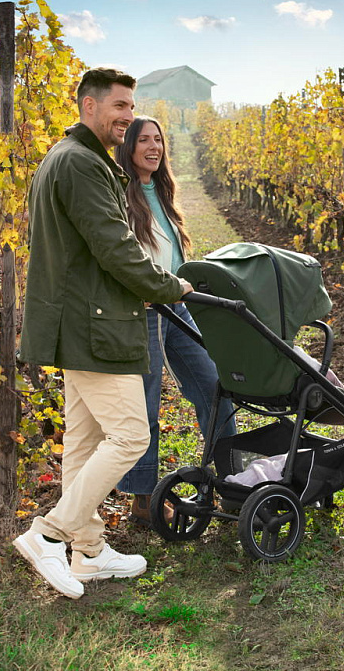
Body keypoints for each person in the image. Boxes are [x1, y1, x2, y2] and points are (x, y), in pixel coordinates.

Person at [13, 68, 193, 600]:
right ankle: (50, 534)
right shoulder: (81, 164)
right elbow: (115, 246)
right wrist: (170, 286)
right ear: (88, 106)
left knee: (84, 440)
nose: (127, 117)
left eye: (131, 106)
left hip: (78, 321)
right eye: (118, 106)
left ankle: (88, 552)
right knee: (132, 435)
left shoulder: (69, 158)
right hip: (95, 324)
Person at [114, 116, 236, 525]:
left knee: (214, 386)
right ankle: (143, 499)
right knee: (145, 405)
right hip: (142, 311)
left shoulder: (163, 192)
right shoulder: (120, 194)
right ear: (128, 147)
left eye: (158, 140)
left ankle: (232, 480)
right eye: (143, 140)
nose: (153, 147)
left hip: (177, 306)